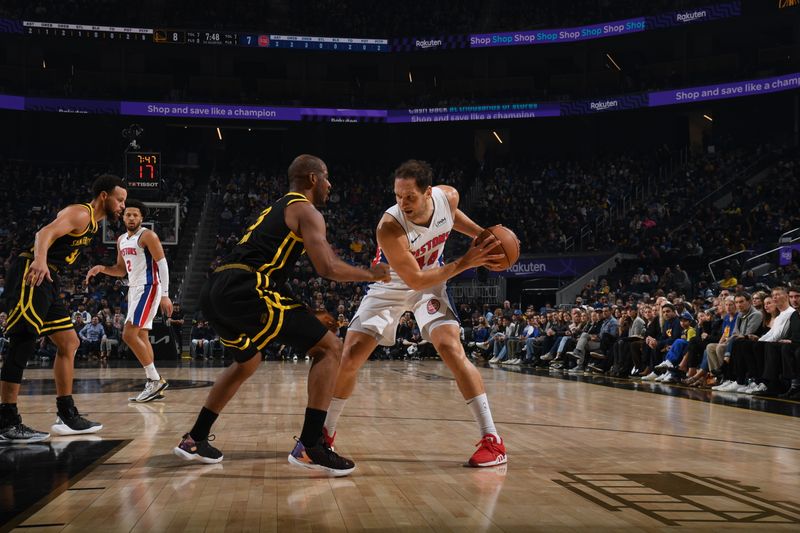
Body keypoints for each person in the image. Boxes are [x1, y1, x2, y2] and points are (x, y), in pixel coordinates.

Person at [172, 154, 392, 475]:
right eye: (327, 177)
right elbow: (327, 268)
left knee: (247, 362)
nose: (331, 185)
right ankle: (311, 446)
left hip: (217, 287)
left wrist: (308, 311)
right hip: (248, 287)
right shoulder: (307, 210)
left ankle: (195, 438)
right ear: (313, 179)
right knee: (330, 348)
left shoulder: (276, 208)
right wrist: (372, 274)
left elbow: (270, 270)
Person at [323, 159, 509, 468]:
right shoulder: (390, 226)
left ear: (428, 193)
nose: (402, 202)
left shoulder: (448, 197)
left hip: (431, 283)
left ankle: (493, 440)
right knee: (350, 356)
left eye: (409, 196)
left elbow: (451, 218)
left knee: (450, 347)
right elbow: (414, 280)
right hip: (393, 286)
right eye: (397, 195)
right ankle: (324, 434)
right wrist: (466, 261)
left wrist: (482, 235)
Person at [1, 175, 126, 442]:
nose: (123, 206)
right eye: (120, 199)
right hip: (33, 271)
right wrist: (39, 261)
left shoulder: (93, 224)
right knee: (23, 339)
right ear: (104, 195)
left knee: (69, 342)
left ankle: (66, 414)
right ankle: (6, 420)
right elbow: (43, 233)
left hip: (50, 277)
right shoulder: (82, 213)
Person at [86, 199, 172, 403]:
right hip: (133, 289)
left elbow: (163, 264)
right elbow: (120, 270)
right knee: (141, 334)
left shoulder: (147, 236)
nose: (131, 217)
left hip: (149, 287)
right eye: (128, 214)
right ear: (123, 217)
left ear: (141, 218)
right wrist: (101, 268)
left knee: (128, 333)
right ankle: (154, 384)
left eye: (135, 214)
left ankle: (155, 380)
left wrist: (166, 294)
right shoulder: (121, 240)